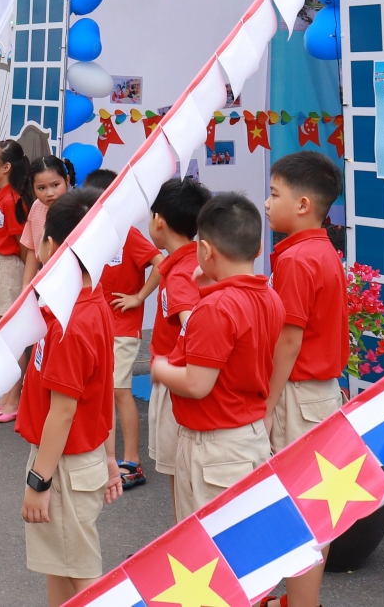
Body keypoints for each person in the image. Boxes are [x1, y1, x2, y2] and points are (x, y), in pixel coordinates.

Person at [18, 186, 124, 606]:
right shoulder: (89, 301)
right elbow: (101, 393)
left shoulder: (70, 320)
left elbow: (63, 412)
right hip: (78, 455)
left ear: (52, 245)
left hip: (62, 463)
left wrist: (37, 481)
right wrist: (111, 460)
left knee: (82, 577)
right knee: (60, 565)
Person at [152, 192, 283, 522]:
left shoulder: (215, 308)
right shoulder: (269, 297)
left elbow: (196, 384)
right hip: (245, 436)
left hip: (214, 447)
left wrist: (159, 367)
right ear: (256, 249)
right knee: (243, 551)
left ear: (205, 251)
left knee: (208, 556)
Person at [264, 152, 349, 607]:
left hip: (297, 394)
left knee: (300, 507)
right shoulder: (320, 250)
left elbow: (289, 341)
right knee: (311, 503)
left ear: (302, 204)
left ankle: (302, 601)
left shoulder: (297, 260)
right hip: (317, 394)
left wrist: (265, 403)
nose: (266, 203)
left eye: (274, 194)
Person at [90, 168, 166, 491]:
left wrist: (138, 297)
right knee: (103, 391)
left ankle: (131, 462)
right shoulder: (93, 234)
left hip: (122, 328)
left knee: (118, 392)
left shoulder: (128, 234)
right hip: (99, 327)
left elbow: (161, 265)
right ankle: (106, 460)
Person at [0, 154, 74, 423]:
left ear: (68, 181)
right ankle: (29, 400)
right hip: (44, 290)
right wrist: (26, 292)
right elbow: (30, 252)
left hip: (71, 294)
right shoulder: (37, 210)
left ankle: (50, 407)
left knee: (62, 351)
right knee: (37, 346)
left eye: (56, 185)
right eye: (41, 188)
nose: (49, 193)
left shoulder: (78, 211)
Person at [144, 177, 211, 501]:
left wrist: (170, 370)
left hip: (177, 384)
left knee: (180, 480)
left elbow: (194, 326)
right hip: (182, 380)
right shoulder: (191, 261)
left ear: (159, 221)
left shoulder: (180, 275)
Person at [0, 140, 32, 418]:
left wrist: (28, 278)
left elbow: (22, 244)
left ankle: (14, 397)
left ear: (7, 167)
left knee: (11, 336)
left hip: (9, 268)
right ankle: (8, 391)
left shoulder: (12, 199)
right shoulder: (0, 195)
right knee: (3, 335)